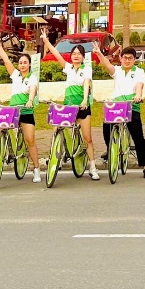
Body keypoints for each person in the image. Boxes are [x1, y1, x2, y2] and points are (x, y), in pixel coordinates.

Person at [42, 34, 100, 180]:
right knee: (57, 129)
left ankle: (93, 167)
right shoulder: (68, 68)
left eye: (78, 54)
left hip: (82, 107)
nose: (75, 56)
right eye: (73, 54)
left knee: (88, 138)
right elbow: (56, 54)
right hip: (68, 107)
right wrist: (46, 41)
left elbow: (87, 83)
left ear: (82, 57)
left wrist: (85, 100)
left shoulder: (86, 69)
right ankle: (58, 157)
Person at [0, 34, 42, 183]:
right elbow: (6, 60)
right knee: (1, 129)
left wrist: (30, 100)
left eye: (25, 63)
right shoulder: (15, 75)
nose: (22, 65)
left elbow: (33, 89)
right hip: (13, 111)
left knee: (30, 141)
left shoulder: (32, 77)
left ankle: (36, 169)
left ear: (29, 65)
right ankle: (1, 154)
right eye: (20, 62)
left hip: (26, 111)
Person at [101, 46, 145, 179]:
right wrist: (98, 54)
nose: (127, 60)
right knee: (107, 126)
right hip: (116, 105)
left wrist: (138, 95)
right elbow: (107, 66)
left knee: (138, 135)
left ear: (134, 59)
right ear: (120, 58)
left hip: (131, 105)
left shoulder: (139, 72)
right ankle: (110, 150)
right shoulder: (117, 70)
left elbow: (139, 85)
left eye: (130, 58)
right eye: (124, 57)